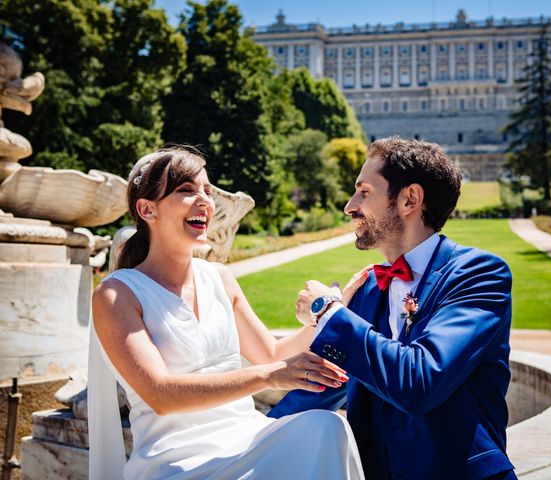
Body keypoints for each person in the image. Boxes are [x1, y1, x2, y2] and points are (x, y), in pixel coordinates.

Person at [88, 146, 365, 480]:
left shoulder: (218, 277)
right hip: (177, 459)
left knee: (327, 427)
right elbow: (160, 394)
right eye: (186, 191)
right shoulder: (116, 294)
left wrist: (332, 312)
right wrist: (268, 376)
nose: (205, 200)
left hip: (245, 435)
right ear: (147, 209)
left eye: (207, 190)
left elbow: (271, 353)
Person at [269, 137, 516, 480]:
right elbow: (330, 382)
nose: (349, 206)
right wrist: (252, 437)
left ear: (409, 199)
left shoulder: (479, 274)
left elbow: (420, 381)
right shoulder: (368, 288)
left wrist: (327, 312)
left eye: (364, 192)